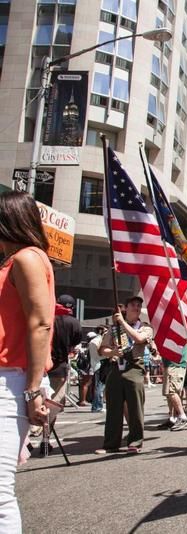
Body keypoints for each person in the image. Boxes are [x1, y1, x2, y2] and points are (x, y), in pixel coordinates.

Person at [0, 191, 54, 532]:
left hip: (11, 380)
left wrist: (33, 390)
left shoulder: (26, 258)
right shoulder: (17, 259)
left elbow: (40, 323)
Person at [95, 296, 153, 454]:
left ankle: (135, 442)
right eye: (133, 305)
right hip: (116, 368)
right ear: (125, 308)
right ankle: (111, 444)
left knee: (135, 408)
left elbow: (139, 338)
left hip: (134, 367)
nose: (137, 307)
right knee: (113, 408)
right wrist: (113, 351)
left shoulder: (145, 327)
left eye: (139, 305)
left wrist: (123, 323)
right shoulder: (114, 328)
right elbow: (102, 349)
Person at [49, 294, 81, 407]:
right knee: (55, 401)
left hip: (41, 366)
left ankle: (41, 423)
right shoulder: (74, 323)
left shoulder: (48, 318)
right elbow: (75, 342)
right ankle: (49, 423)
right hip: (60, 366)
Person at [157, 343, 187, 431]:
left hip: (176, 364)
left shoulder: (178, 330)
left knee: (172, 391)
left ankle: (183, 417)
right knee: (169, 393)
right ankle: (172, 418)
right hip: (170, 364)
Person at [87, 328, 106, 412]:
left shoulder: (93, 341)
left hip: (96, 364)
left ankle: (96, 405)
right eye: (106, 331)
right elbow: (99, 354)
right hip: (100, 364)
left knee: (98, 386)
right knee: (100, 386)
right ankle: (97, 406)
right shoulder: (98, 341)